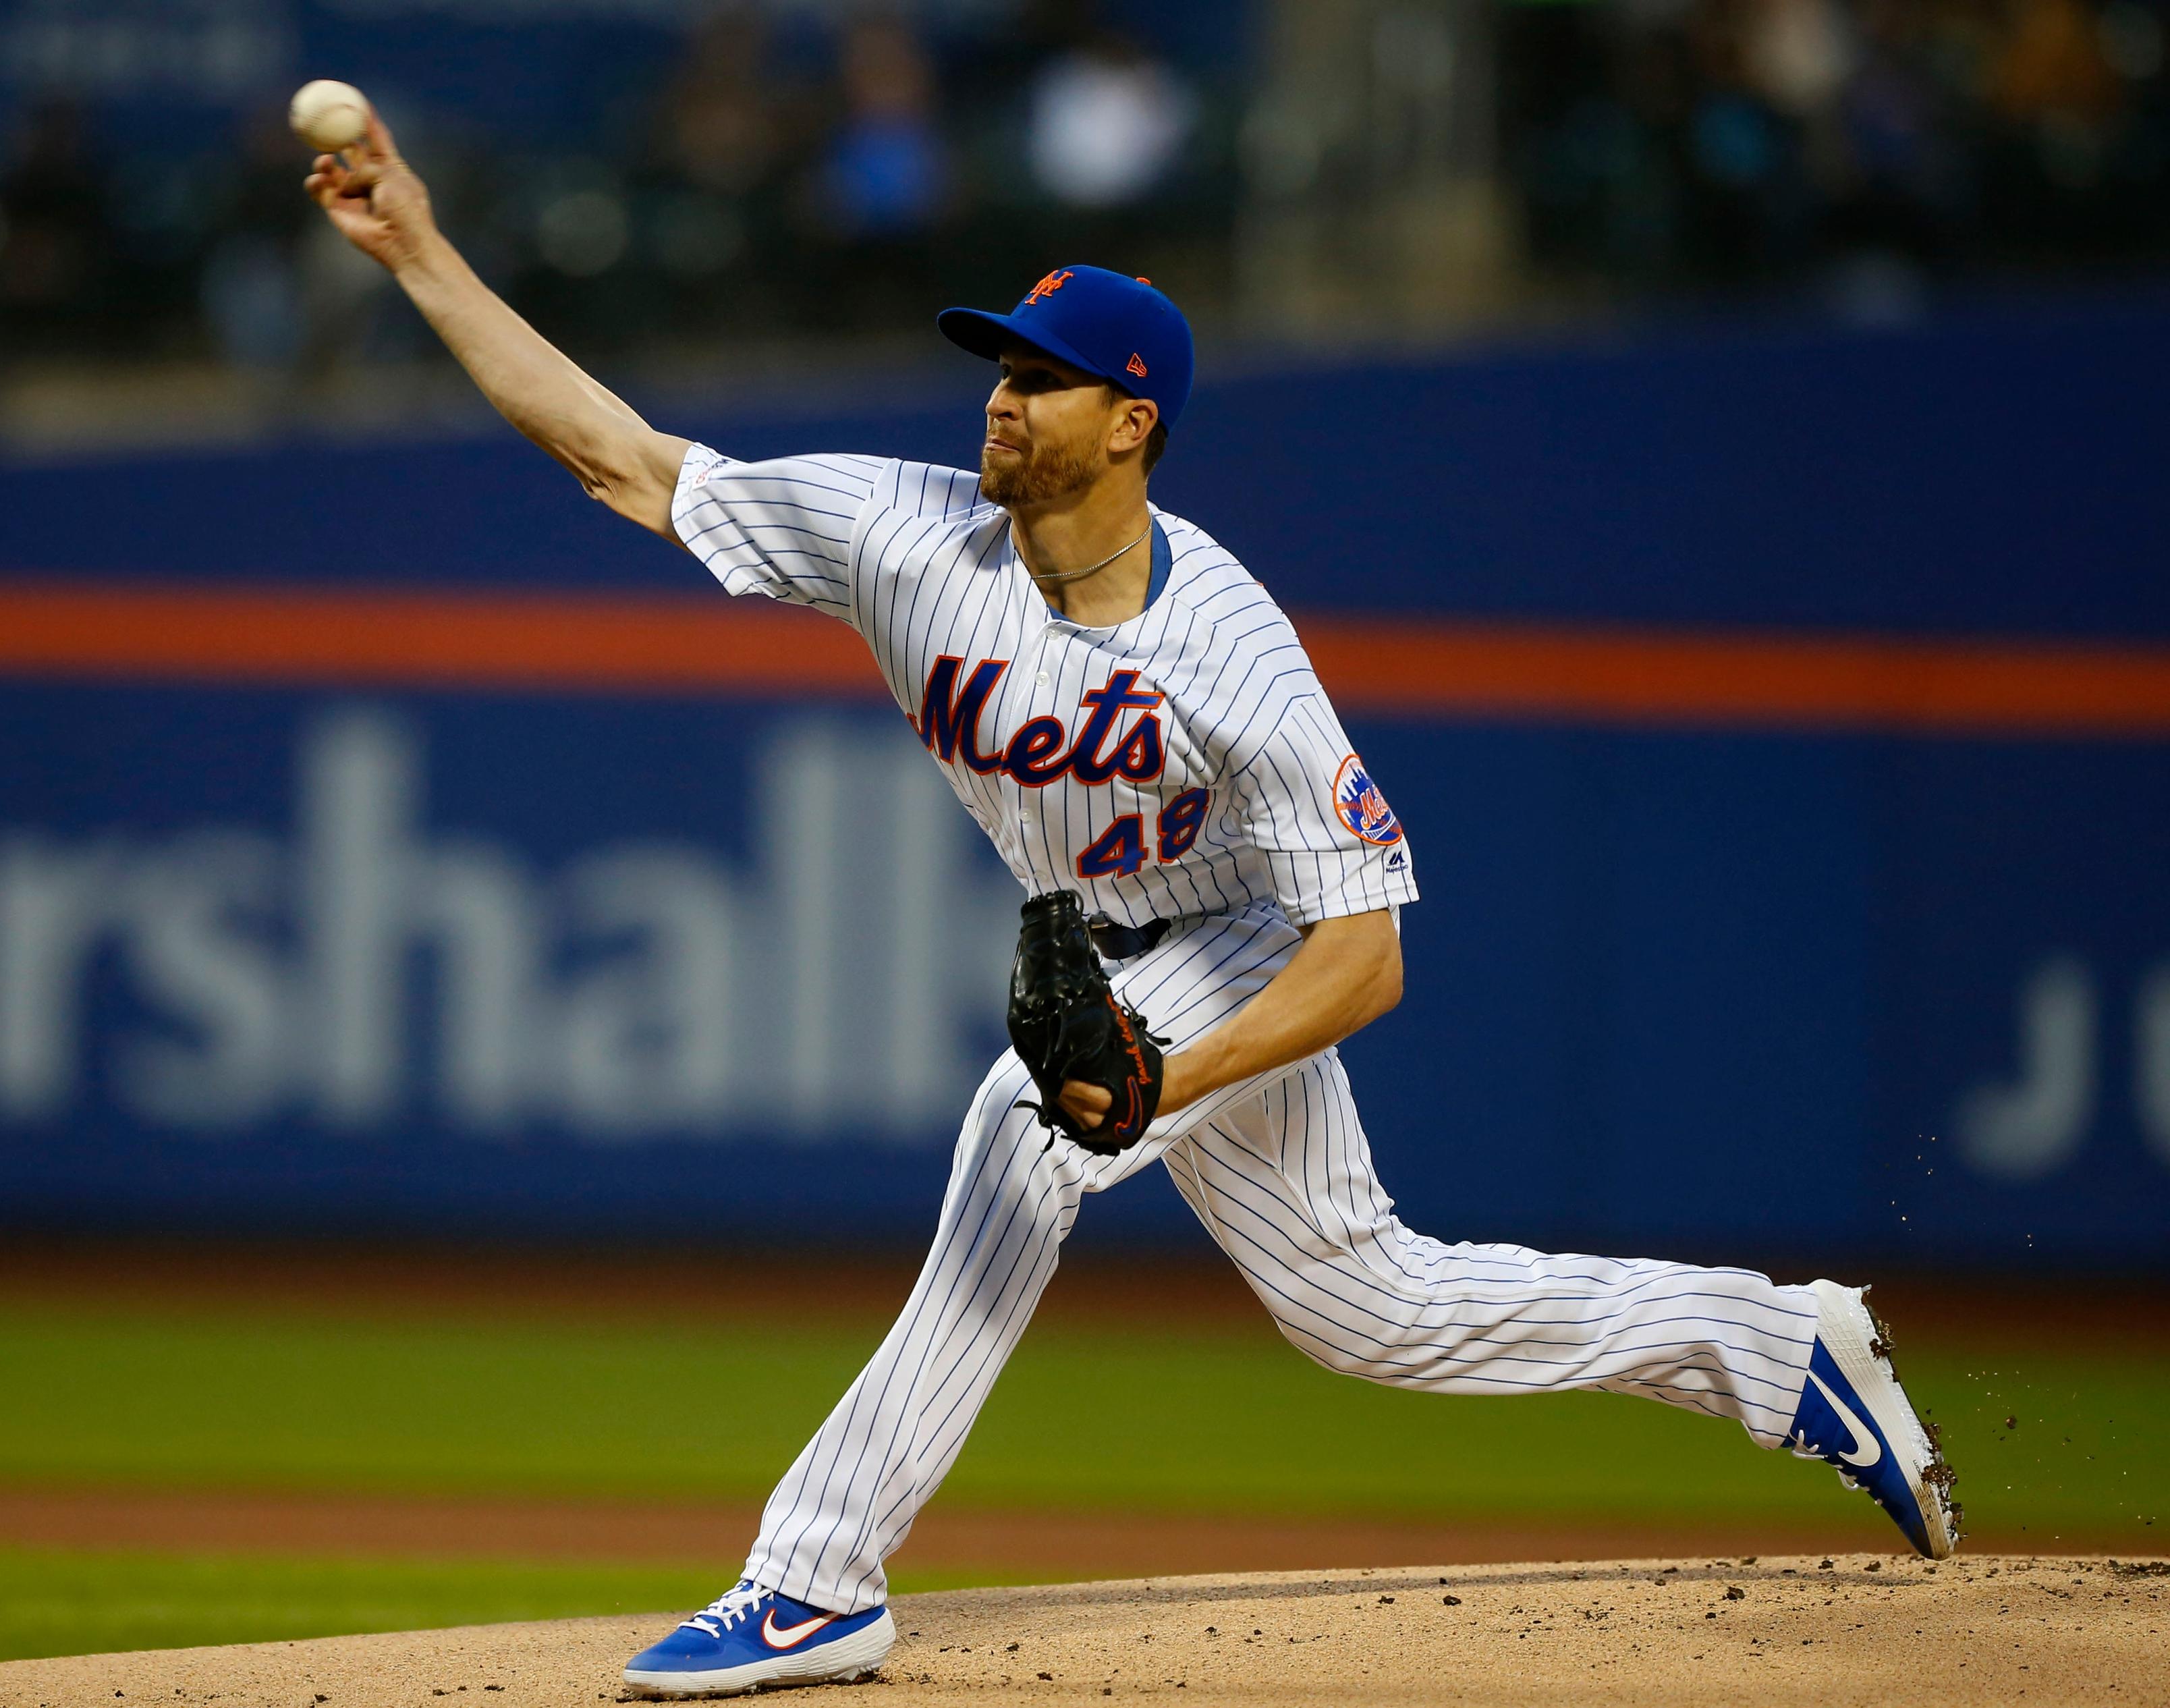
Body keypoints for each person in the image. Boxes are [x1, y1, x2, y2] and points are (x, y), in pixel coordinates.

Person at [302, 103, 1958, 1701]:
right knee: (1370, 1308)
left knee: (1022, 1148)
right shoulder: (905, 532)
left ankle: (815, 1575)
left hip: (1238, 943)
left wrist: (1174, 1078)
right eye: (999, 371)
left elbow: (1364, 954)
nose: (1002, 403)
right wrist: (422, 252)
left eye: (1045, 380)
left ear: (1134, 420)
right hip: (1110, 942)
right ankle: (1779, 1346)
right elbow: (626, 456)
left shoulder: (1233, 653)